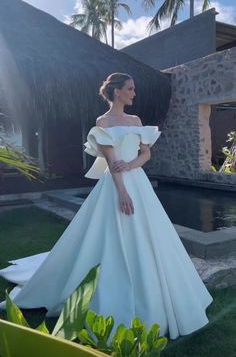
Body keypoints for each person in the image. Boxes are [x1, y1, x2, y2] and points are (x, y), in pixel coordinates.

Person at [0, 72, 213, 340]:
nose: (134, 93)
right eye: (130, 89)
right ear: (116, 92)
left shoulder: (136, 120)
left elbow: (146, 152)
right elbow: (112, 164)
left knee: (151, 235)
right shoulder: (102, 122)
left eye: (134, 89)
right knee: (108, 234)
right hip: (116, 185)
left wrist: (131, 167)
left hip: (137, 181)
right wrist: (122, 191)